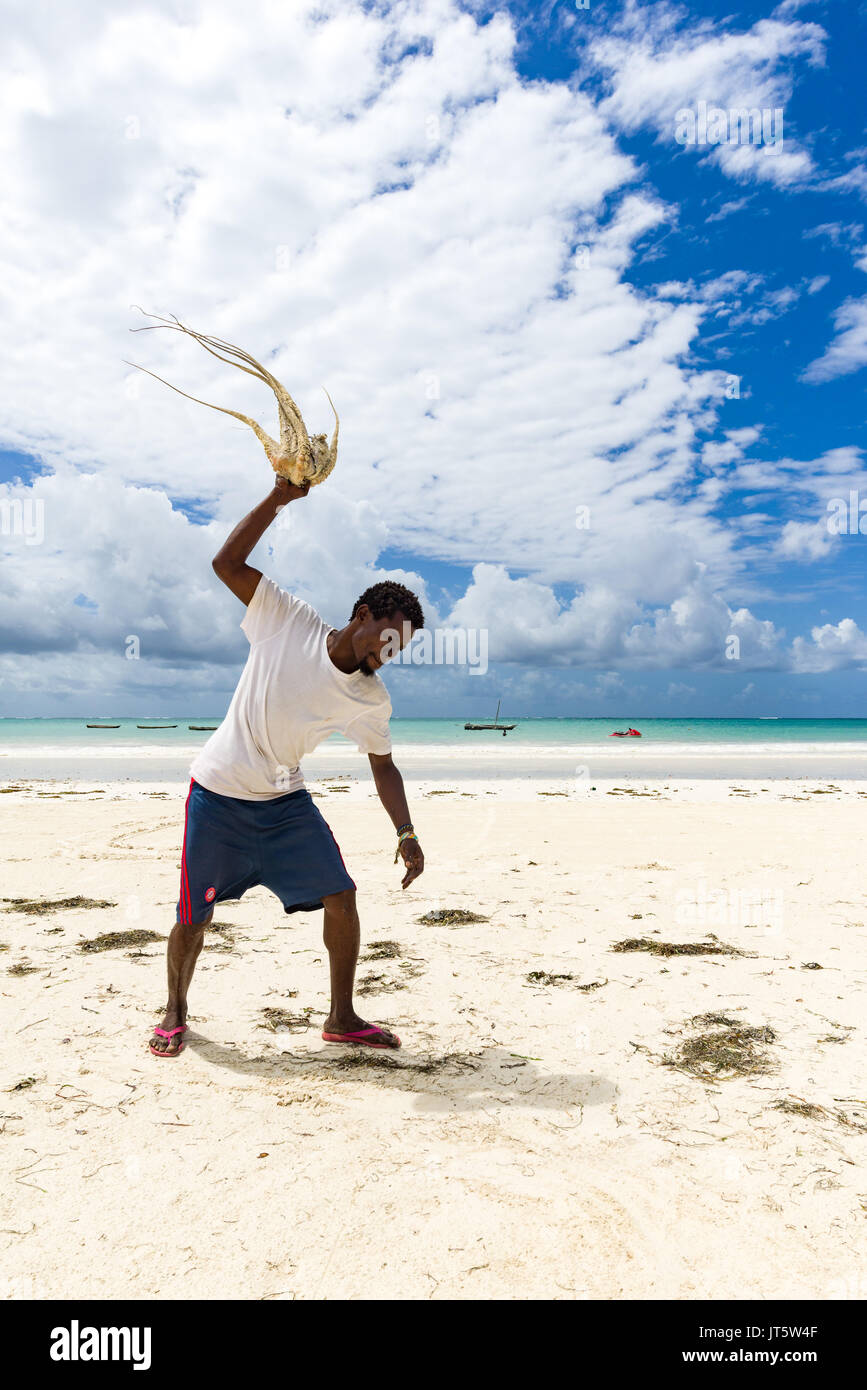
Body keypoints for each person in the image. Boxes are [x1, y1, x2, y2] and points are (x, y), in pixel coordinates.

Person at [149, 475, 425, 1058]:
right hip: (218, 793)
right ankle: (174, 1010)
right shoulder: (286, 619)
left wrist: (406, 831)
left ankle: (342, 1018)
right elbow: (225, 562)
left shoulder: (370, 699)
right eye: (389, 638)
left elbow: (384, 767)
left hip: (283, 803)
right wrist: (278, 498)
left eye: (401, 649)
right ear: (364, 613)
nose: (390, 654)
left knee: (342, 896)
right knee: (194, 914)